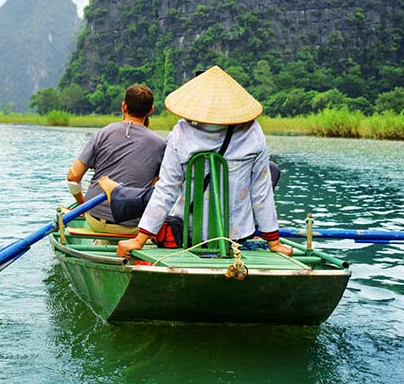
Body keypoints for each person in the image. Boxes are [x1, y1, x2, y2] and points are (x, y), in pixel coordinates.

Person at [115, 66, 292, 258]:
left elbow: (166, 189)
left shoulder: (181, 133)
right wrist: (273, 242)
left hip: (188, 234)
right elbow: (261, 190)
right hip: (235, 236)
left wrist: (139, 239)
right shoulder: (253, 133)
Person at [66, 84, 166, 235]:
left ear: (124, 106)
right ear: (151, 110)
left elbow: (73, 177)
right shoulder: (161, 144)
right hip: (135, 224)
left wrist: (82, 204)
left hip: (96, 218)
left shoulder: (103, 133)